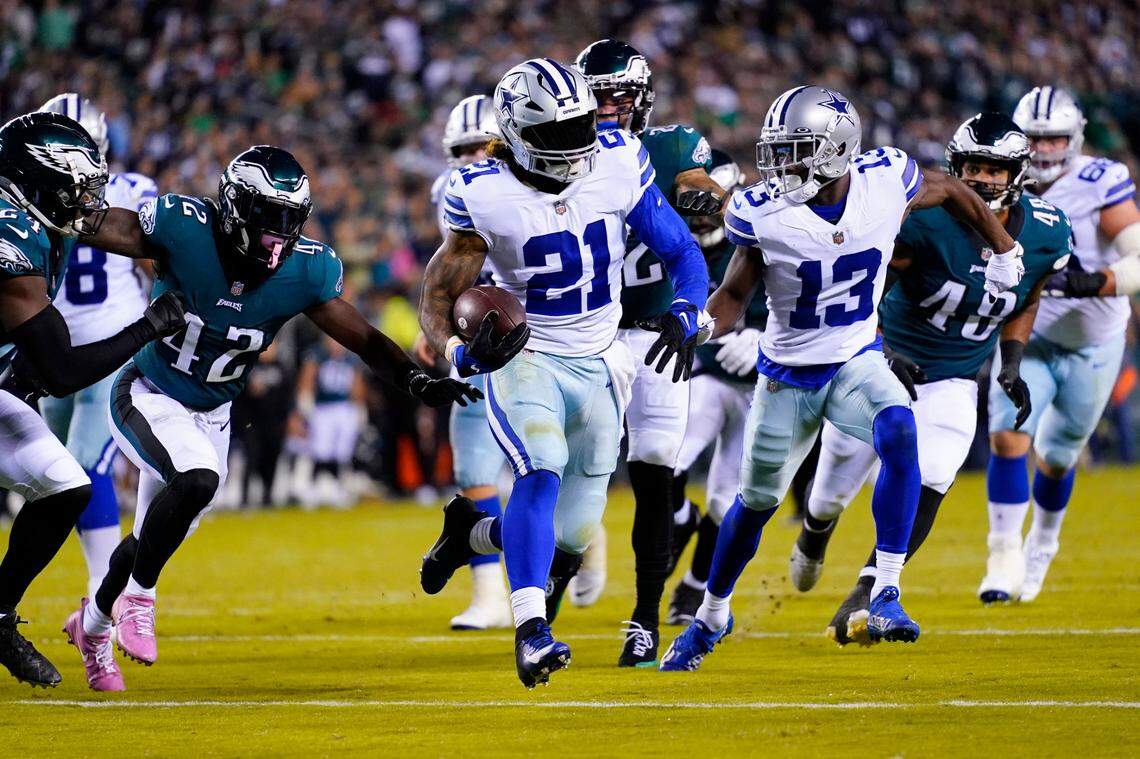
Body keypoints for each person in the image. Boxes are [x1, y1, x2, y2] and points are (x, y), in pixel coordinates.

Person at [63, 145, 478, 691]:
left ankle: (91, 627)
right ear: (235, 207)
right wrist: (46, 208)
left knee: (152, 535)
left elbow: (364, 338)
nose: (279, 236)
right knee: (196, 480)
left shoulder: (305, 269)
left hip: (213, 413)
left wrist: (416, 380)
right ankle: (139, 601)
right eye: (268, 218)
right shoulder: (184, 228)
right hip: (149, 390)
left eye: (290, 220)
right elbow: (98, 225)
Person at [660, 85, 1025, 672]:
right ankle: (711, 614)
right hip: (786, 376)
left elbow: (954, 190)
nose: (782, 166)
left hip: (856, 359)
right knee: (754, 505)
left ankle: (885, 589)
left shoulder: (885, 180)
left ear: (835, 149)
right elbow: (733, 293)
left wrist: (1004, 249)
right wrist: (698, 323)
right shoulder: (763, 212)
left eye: (796, 151)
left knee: (900, 431)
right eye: (778, 152)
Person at [416, 57, 708, 688]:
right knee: (540, 468)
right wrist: (455, 351)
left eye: (580, 124)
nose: (577, 142)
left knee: (572, 532)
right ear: (518, 134)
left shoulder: (618, 159)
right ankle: (531, 633)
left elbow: (681, 247)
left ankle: (471, 535)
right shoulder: (482, 191)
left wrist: (688, 307)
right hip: (528, 356)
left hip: (601, 358)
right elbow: (437, 296)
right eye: (557, 132)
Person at [790, 113, 1072, 644]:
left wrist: (1012, 359)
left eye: (994, 169)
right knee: (828, 494)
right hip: (877, 367)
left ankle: (871, 587)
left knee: (936, 473)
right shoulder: (926, 221)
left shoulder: (1047, 230)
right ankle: (815, 531)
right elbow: (863, 285)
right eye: (973, 167)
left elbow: (1027, 296)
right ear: (955, 167)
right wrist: (884, 348)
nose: (983, 178)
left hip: (954, 379)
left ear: (1017, 173)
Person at [0, 112, 185, 688]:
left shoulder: (31, 223)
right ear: (35, 183)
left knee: (68, 485)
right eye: (73, 187)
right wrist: (147, 327)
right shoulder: (8, 240)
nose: (86, 202)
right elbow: (61, 371)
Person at [572, 39, 725, 666]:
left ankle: (644, 618)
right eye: (599, 96)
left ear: (642, 100)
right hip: (591, 332)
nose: (609, 107)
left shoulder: (671, 146)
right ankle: (542, 605)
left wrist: (704, 195)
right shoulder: (562, 156)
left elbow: (697, 181)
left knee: (656, 467)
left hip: (657, 329)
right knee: (570, 466)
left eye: (620, 96)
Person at [979, 87, 1140, 603]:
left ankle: (1042, 544)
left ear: (1074, 138)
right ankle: (1002, 554)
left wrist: (1095, 281)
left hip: (1095, 343)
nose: (1044, 149)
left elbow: (1138, 256)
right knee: (1008, 435)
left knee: (1057, 455)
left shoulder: (1099, 181)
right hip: (1032, 335)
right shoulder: (1001, 180)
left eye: (1053, 138)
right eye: (1034, 138)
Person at [36, 94, 157, 604]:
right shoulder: (133, 191)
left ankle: (103, 595)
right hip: (56, 354)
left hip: (101, 350)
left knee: (84, 467)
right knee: (56, 476)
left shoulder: (29, 198)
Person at [665, 149, 766, 627]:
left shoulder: (763, 235)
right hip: (705, 374)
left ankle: (695, 584)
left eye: (711, 203)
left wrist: (764, 339)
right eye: (693, 204)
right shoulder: (672, 246)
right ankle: (680, 517)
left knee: (727, 502)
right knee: (665, 461)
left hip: (765, 389)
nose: (702, 215)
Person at [423, 94, 512, 630]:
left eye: (485, 145)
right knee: (475, 467)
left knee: (554, 467)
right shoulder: (449, 193)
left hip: (538, 339)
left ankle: (580, 542)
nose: (475, 156)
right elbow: (452, 273)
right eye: (463, 150)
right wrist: (436, 328)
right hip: (475, 341)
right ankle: (490, 594)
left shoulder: (534, 184)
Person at [295, 335, 366, 509]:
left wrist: (360, 407)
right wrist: (305, 404)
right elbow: (307, 380)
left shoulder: (351, 359)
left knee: (342, 451)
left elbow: (356, 385)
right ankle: (311, 487)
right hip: (323, 407)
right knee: (320, 449)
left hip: (344, 407)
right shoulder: (317, 355)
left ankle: (339, 487)